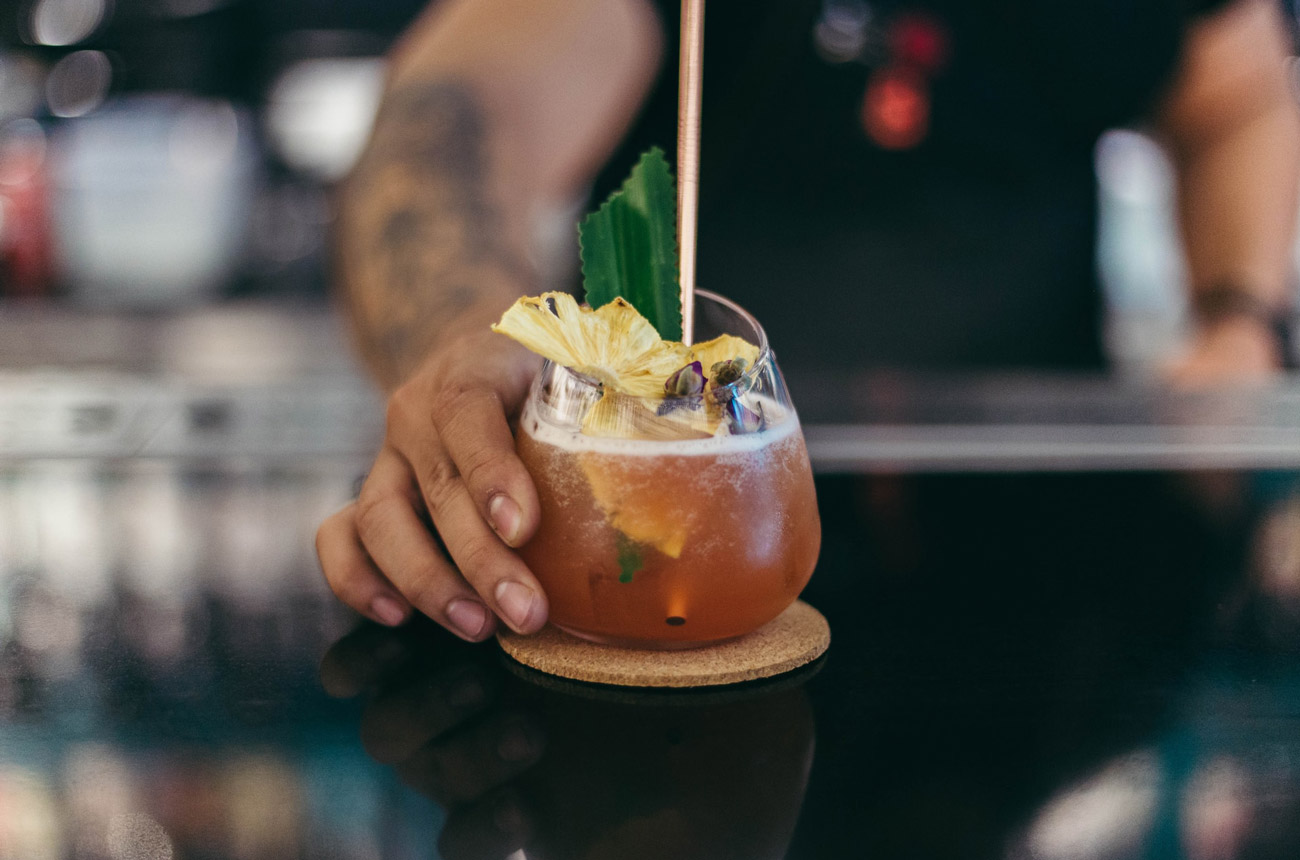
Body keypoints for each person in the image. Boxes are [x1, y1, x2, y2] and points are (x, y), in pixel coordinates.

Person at [315, 0, 1300, 641]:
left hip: (1045, 547)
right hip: (650, 533)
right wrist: (461, 339)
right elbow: (455, 115)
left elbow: (1237, 98)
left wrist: (1235, 314)